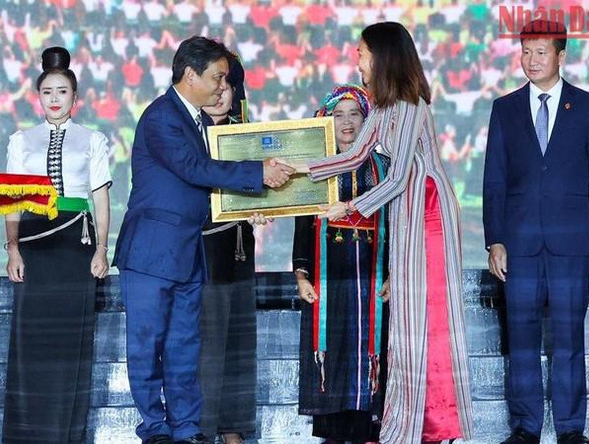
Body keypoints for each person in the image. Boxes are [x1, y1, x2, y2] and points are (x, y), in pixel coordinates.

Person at [294, 22, 473, 444]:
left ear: (382, 56)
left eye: (361, 52)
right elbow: (354, 157)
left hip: (426, 214)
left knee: (424, 318)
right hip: (407, 210)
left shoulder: (409, 105)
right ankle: (407, 418)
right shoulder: (383, 107)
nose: (356, 60)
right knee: (408, 322)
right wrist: (299, 168)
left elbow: (395, 180)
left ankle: (433, 423)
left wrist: (350, 207)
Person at [112, 36, 293, 444]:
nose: (221, 86)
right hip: (150, 255)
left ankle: (187, 429)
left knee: (183, 349)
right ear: (190, 74)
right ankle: (155, 429)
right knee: (146, 347)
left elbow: (201, 181)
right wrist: (257, 174)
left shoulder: (194, 119)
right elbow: (195, 168)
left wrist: (255, 203)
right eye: (217, 76)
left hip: (188, 255)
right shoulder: (162, 116)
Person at [483, 20, 589, 444]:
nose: (531, 60)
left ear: (561, 56)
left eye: (541, 52)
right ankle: (525, 429)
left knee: (569, 340)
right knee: (520, 341)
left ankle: (572, 430)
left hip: (571, 243)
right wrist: (495, 239)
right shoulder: (504, 108)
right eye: (526, 52)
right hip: (518, 244)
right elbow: (494, 180)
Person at [3, 46, 111, 444]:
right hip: (34, 242)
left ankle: (66, 435)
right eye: (47, 91)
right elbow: (12, 199)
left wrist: (101, 249)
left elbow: (100, 197)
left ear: (75, 98)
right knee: (32, 341)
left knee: (71, 342)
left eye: (62, 92)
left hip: (75, 244)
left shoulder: (93, 139)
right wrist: (12, 247)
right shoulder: (21, 140)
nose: (54, 99)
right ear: (38, 96)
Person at [293, 84, 389, 444]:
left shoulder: (386, 168)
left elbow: (398, 225)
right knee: (332, 350)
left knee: (370, 349)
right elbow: (303, 224)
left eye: (355, 114)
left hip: (373, 273)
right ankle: (333, 433)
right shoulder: (315, 170)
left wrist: (394, 273)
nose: (347, 122)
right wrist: (301, 274)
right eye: (339, 115)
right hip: (327, 272)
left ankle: (370, 429)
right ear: (326, 121)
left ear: (367, 120)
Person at [198, 55, 256, 444]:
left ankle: (234, 428)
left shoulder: (248, 133)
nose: (220, 92)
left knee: (238, 338)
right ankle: (201, 428)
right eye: (213, 82)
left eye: (227, 84)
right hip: (199, 248)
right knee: (203, 341)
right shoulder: (186, 131)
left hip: (238, 248)